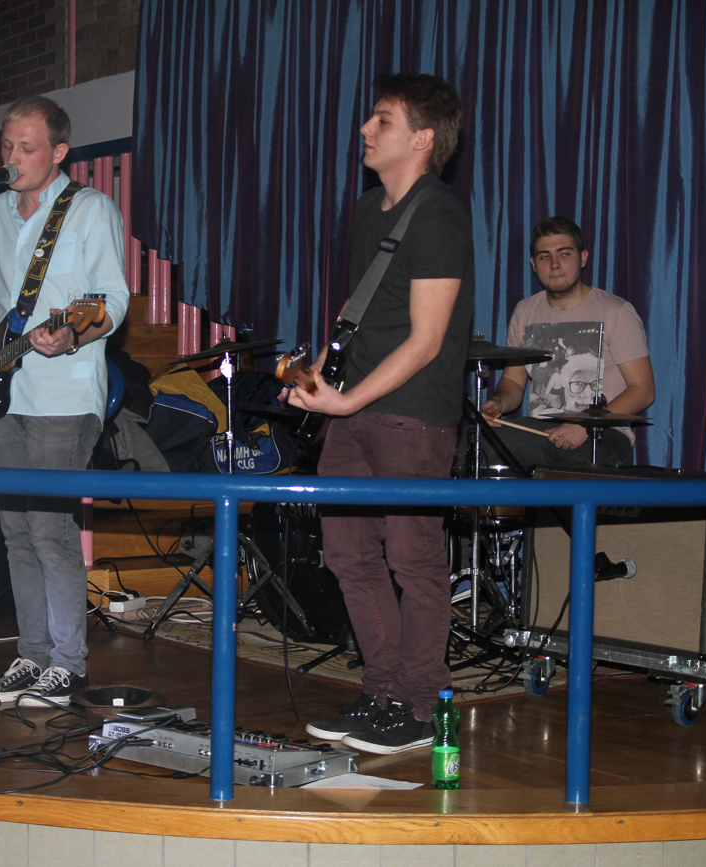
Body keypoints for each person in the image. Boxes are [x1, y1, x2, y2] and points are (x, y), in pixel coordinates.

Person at [287, 73, 475, 754]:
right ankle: (383, 692)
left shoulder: (440, 216)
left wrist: (351, 399)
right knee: (348, 555)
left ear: (422, 138)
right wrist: (319, 378)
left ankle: (420, 708)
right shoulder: (371, 209)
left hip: (411, 417)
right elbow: (358, 311)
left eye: (383, 119)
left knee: (414, 562)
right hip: (355, 411)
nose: (365, 129)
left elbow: (427, 340)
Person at [0, 96, 129, 707]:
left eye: (26, 148)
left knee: (50, 529)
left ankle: (68, 663)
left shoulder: (90, 209)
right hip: (5, 392)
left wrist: (72, 334)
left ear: (58, 152)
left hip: (65, 392)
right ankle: (31, 655)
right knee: (16, 529)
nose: (12, 157)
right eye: (6, 146)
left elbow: (111, 300)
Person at [478, 216, 655, 467]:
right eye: (545, 256)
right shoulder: (524, 311)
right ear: (533, 264)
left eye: (564, 254)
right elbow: (513, 382)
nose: (555, 264)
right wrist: (498, 403)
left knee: (578, 458)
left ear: (583, 258)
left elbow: (643, 390)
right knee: (471, 443)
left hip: (602, 433)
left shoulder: (616, 311)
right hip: (540, 431)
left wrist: (585, 425)